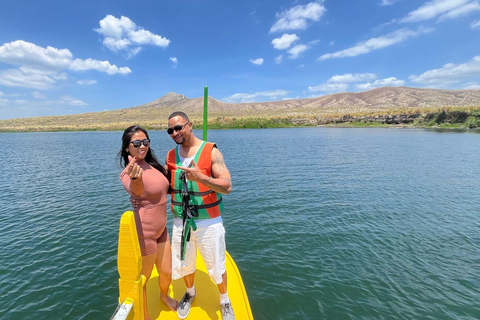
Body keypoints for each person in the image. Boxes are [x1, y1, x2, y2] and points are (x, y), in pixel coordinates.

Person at [165, 112, 235, 320]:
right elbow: (167, 186)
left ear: (190, 125)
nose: (175, 133)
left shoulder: (211, 151)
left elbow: (227, 186)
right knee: (185, 262)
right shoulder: (170, 156)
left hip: (208, 222)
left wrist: (201, 177)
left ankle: (224, 300)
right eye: (170, 130)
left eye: (179, 128)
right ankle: (190, 292)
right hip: (181, 221)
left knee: (216, 264)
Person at [118, 125, 179, 319]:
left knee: (167, 272)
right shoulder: (128, 173)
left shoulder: (154, 166)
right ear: (127, 147)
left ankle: (163, 295)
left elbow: (165, 188)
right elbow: (136, 189)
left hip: (162, 230)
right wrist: (135, 177)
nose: (142, 146)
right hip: (145, 234)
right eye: (136, 143)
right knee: (143, 281)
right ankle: (144, 315)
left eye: (145, 142)